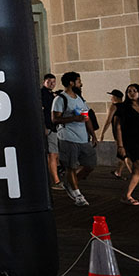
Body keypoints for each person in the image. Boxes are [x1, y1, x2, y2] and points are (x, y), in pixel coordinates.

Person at [51, 71, 97, 206]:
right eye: (79, 81)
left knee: (90, 164)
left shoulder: (80, 98)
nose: (81, 84)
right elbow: (55, 119)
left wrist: (92, 134)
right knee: (70, 166)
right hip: (68, 138)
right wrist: (74, 118)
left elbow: (86, 117)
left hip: (83, 138)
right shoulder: (60, 99)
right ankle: (78, 195)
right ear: (71, 83)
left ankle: (70, 182)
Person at [98, 89, 131, 180]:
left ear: (115, 97)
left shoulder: (114, 106)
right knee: (121, 155)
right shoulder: (127, 106)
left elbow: (108, 121)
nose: (111, 98)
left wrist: (102, 133)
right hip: (128, 133)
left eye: (112, 96)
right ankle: (118, 172)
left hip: (119, 134)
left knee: (125, 155)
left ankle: (137, 176)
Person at [40, 74, 62, 188]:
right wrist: (44, 127)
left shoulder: (52, 95)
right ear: (44, 82)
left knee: (55, 154)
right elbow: (41, 112)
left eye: (54, 81)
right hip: (49, 127)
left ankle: (55, 178)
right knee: (52, 154)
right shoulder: (42, 94)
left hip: (55, 127)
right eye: (49, 81)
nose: (52, 83)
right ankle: (56, 181)